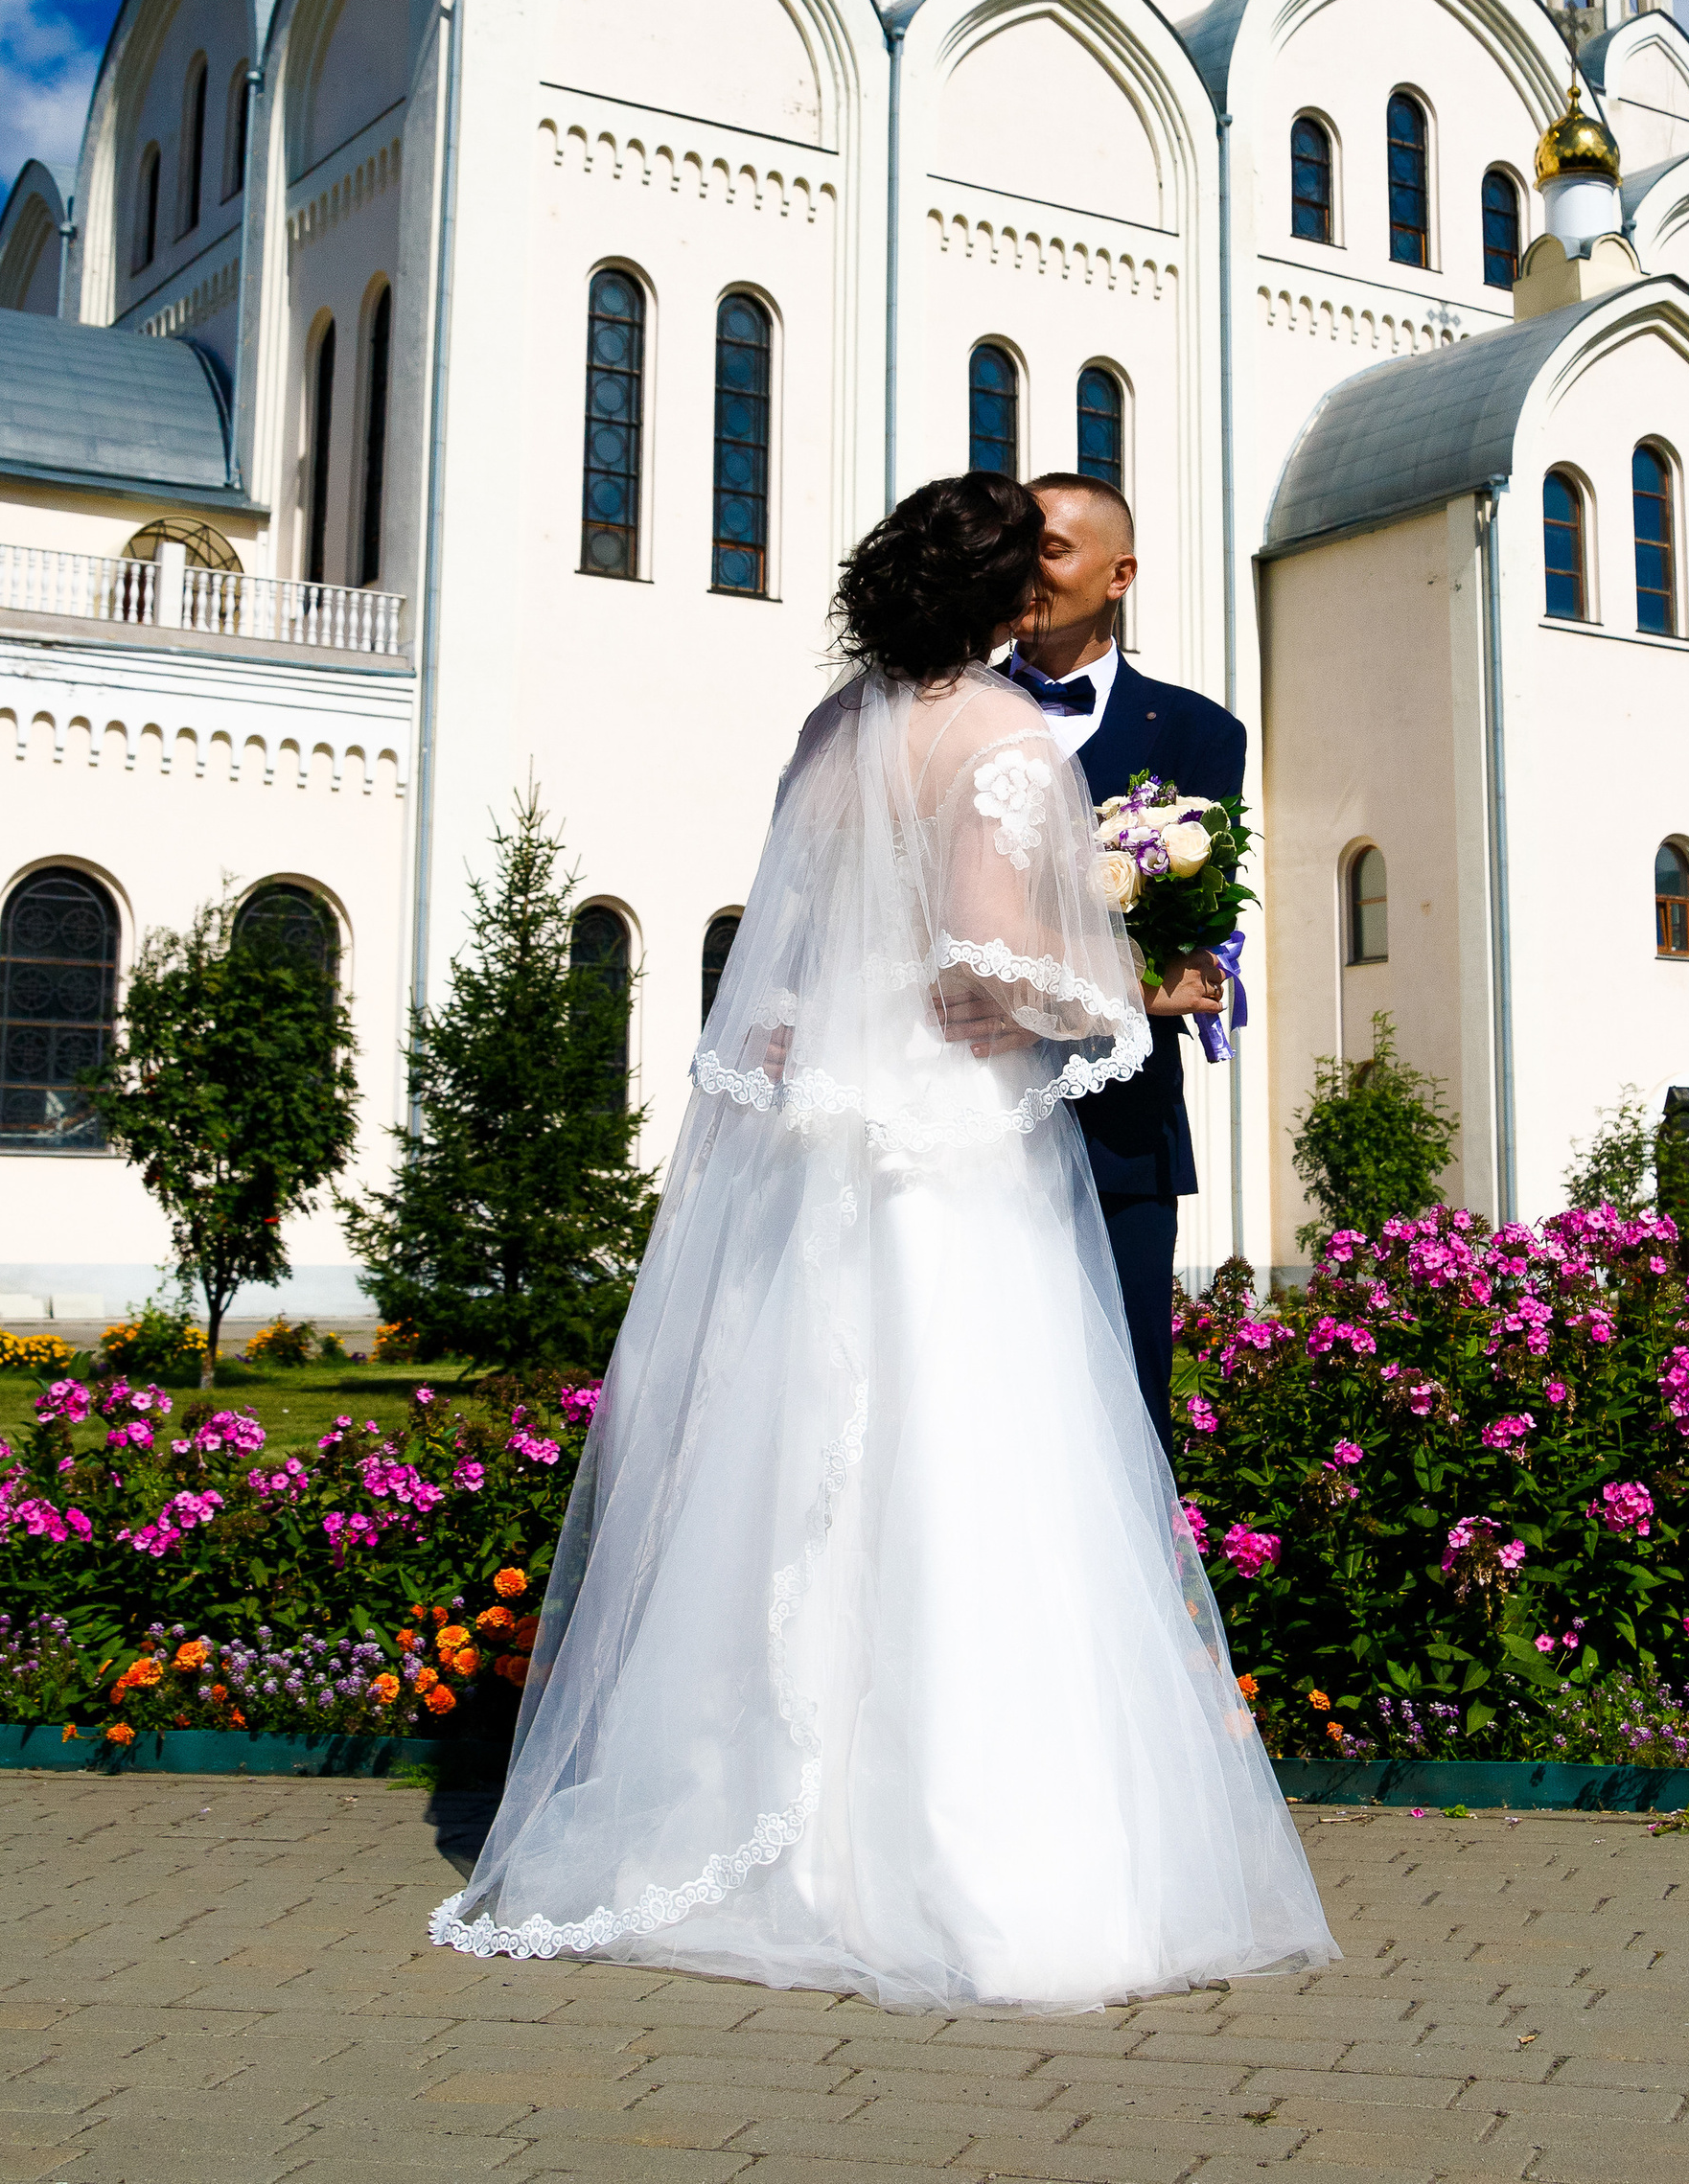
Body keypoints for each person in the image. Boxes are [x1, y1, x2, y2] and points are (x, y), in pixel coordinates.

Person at [431, 473, 1335, 2008]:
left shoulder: (830, 732)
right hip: (949, 1145)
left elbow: (789, 950)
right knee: (971, 1463)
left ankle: (770, 1818)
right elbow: (993, 951)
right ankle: (962, 1861)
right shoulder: (998, 739)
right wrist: (1114, 978)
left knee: (800, 1471)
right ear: (1001, 598)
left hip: (824, 1136)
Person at [1009, 476, 1243, 1431]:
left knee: (1122, 1413)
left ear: (1120, 574)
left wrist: (1026, 986)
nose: (1024, 565)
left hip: (1122, 1138)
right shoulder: (938, 720)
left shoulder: (1197, 733)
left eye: (1051, 547)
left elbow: (1194, 963)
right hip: (955, 1121)